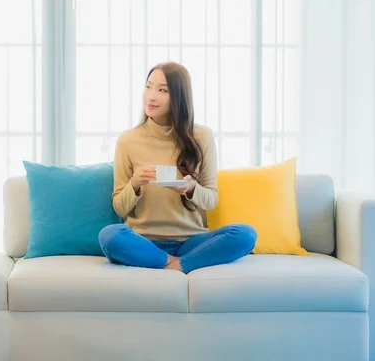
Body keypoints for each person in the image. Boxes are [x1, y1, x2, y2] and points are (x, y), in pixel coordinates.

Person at [98, 62, 257, 273]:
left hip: (191, 240)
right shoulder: (128, 140)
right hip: (143, 240)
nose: (151, 96)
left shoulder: (202, 136)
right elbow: (119, 207)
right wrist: (135, 183)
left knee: (245, 235)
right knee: (110, 236)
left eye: (162, 90)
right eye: (148, 86)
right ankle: (178, 263)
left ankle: (169, 263)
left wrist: (191, 189)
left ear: (179, 97)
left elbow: (211, 199)